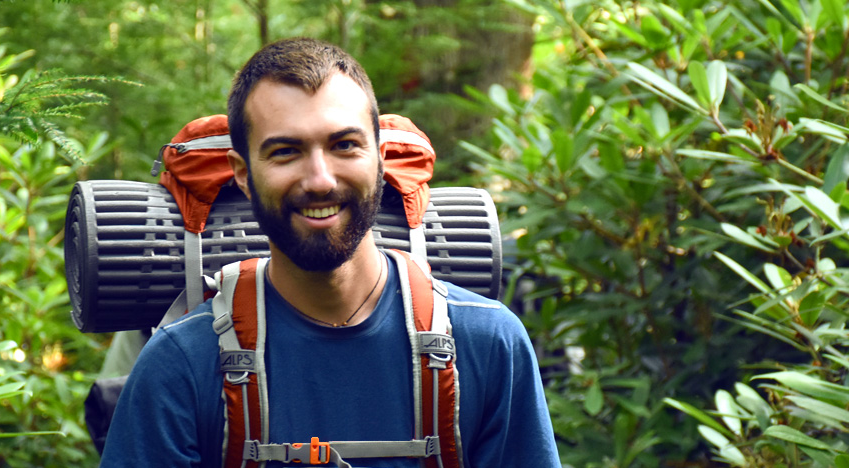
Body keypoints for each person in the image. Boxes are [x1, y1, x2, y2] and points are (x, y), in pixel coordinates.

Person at [99, 37, 560, 467]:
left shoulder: (488, 344)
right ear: (242, 173)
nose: (320, 178)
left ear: (380, 158)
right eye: (285, 151)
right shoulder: (181, 363)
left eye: (344, 145)